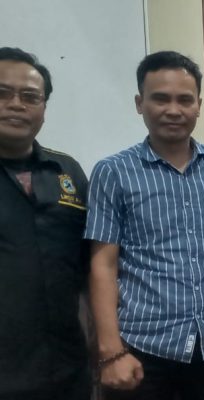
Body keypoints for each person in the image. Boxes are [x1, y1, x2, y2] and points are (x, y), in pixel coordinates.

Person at [84, 51, 204, 400]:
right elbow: (103, 264)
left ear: (198, 105)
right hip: (144, 348)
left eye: (184, 100)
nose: (173, 109)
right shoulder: (113, 172)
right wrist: (110, 349)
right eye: (160, 98)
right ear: (140, 103)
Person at [0, 47, 91, 399]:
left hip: (66, 369)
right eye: (3, 93)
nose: (16, 105)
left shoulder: (66, 171)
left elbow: (90, 265)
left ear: (44, 107)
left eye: (30, 96)